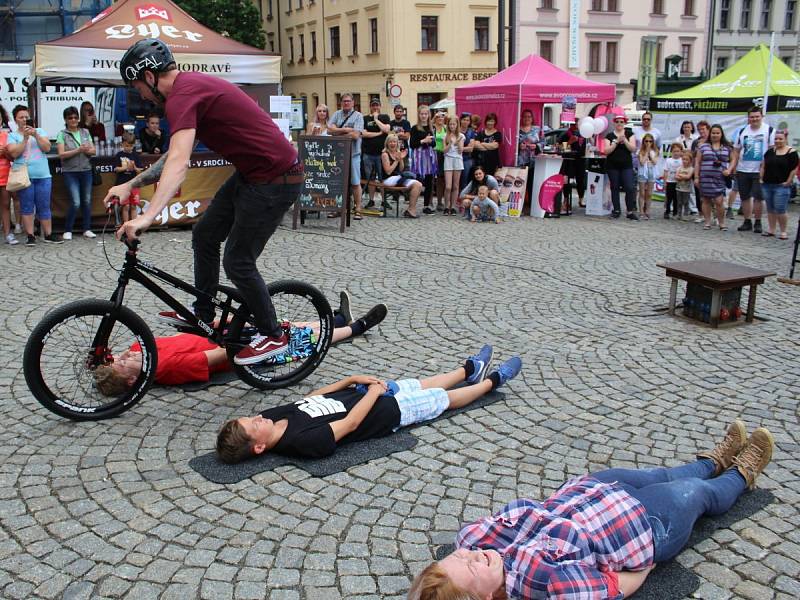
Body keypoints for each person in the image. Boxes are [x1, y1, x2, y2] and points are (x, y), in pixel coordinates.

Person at [409, 420, 775, 600]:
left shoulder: (475, 540)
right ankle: (742, 473)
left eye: (461, 555)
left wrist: (463, 555)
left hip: (594, 489)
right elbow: (611, 588)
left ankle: (713, 460)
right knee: (694, 494)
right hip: (638, 526)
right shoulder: (544, 584)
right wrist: (645, 564)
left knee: (662, 474)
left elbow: (475, 537)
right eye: (472, 568)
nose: (474, 555)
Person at [106, 39, 304, 366]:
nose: (139, 94)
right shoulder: (190, 91)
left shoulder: (183, 95)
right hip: (253, 175)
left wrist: (147, 216)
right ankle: (204, 313)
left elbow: (180, 164)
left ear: (150, 77)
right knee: (204, 235)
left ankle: (274, 335)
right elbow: (172, 155)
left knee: (238, 261)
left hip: (277, 179)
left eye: (137, 86)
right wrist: (132, 183)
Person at [216, 346, 522, 463]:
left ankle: (469, 370)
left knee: (421, 382)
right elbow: (349, 425)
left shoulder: (272, 418)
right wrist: (372, 394)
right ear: (259, 447)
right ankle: (492, 381)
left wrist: (349, 381)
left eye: (251, 417)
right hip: (388, 413)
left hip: (366, 394)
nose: (257, 417)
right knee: (443, 399)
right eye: (253, 424)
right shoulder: (300, 442)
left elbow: (311, 399)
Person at [95, 296, 388, 393]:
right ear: (134, 380)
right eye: (122, 365)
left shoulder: (138, 351)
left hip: (210, 332)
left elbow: (173, 338)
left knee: (276, 325)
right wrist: (242, 337)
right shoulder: (166, 370)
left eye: (117, 360)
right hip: (232, 349)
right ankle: (354, 327)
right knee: (295, 342)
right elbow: (217, 357)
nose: (121, 357)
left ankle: (334, 318)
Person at [7, 105, 62, 246]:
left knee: (44, 205)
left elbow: (47, 148)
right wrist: (25, 139)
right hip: (25, 177)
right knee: (27, 206)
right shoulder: (12, 135)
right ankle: (30, 235)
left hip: (43, 175)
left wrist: (35, 135)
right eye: (21, 117)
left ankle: (48, 234)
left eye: (26, 116)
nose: (24, 119)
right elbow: (14, 153)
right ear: (15, 120)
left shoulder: (40, 131)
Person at [731, 106, 775, 233]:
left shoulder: (769, 130)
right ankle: (747, 221)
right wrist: (733, 167)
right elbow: (736, 150)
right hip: (743, 169)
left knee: (758, 197)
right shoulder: (742, 131)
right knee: (745, 197)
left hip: (759, 170)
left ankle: (758, 221)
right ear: (748, 118)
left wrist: (765, 168)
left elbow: (772, 151)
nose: (754, 119)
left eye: (757, 116)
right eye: (752, 117)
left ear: (762, 117)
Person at [56, 106, 97, 241]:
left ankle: (87, 228)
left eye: (75, 117)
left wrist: (85, 150)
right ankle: (68, 229)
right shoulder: (62, 134)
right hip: (70, 172)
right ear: (66, 120)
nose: (73, 120)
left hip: (86, 170)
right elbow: (61, 154)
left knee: (86, 200)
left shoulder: (85, 132)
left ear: (78, 119)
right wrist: (78, 150)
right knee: (76, 202)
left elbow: (93, 151)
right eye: (70, 118)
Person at [328, 92, 365, 220]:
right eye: (344, 101)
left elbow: (355, 136)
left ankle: (358, 209)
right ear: (341, 103)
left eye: (349, 101)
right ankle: (339, 208)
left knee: (355, 182)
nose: (346, 103)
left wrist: (337, 133)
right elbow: (329, 130)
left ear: (353, 103)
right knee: (338, 183)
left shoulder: (358, 116)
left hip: (353, 154)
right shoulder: (336, 114)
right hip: (338, 155)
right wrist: (347, 130)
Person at [760, 129, 798, 239]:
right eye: (776, 139)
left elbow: (794, 169)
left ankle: (783, 231)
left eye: (780, 139)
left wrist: (789, 181)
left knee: (780, 209)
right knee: (770, 208)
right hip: (767, 184)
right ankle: (771, 230)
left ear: (785, 139)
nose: (778, 141)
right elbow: (763, 166)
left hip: (781, 185)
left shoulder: (791, 152)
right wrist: (761, 178)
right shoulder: (770, 151)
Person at [695, 124, 733, 231]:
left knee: (719, 201)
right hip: (705, 177)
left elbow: (734, 159)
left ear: (721, 134)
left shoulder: (727, 147)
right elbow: (697, 162)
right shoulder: (703, 146)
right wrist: (697, 177)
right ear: (710, 134)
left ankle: (722, 223)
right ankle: (707, 222)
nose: (715, 135)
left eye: (717, 133)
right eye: (713, 133)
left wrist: (729, 170)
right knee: (706, 200)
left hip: (719, 178)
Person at [603, 115, 638, 220]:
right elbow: (606, 151)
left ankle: (630, 211)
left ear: (624, 123)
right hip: (612, 165)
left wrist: (625, 141)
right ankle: (616, 210)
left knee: (629, 187)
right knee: (615, 187)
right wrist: (615, 141)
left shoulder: (629, 134)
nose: (619, 123)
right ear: (614, 123)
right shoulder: (609, 136)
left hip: (626, 165)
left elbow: (633, 149)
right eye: (617, 121)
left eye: (621, 122)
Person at [381, 134, 423, 218]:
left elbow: (401, 169)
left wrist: (400, 159)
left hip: (397, 177)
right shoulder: (385, 154)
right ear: (387, 143)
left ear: (397, 143)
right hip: (387, 179)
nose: (393, 144)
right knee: (415, 183)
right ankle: (411, 210)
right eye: (391, 142)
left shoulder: (398, 153)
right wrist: (396, 160)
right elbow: (388, 171)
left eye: (394, 142)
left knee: (418, 185)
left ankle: (411, 209)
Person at [361, 99, 392, 209]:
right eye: (373, 105)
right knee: (371, 178)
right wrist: (379, 133)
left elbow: (387, 129)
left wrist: (376, 119)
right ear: (370, 106)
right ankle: (371, 200)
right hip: (368, 153)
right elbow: (364, 134)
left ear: (380, 106)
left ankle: (384, 200)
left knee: (382, 177)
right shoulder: (364, 118)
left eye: (377, 105)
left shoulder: (384, 117)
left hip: (381, 154)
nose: (375, 107)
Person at [410, 105, 438, 215]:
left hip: (429, 157)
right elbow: (412, 144)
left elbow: (434, 143)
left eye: (426, 114)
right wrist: (423, 140)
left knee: (429, 182)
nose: (424, 116)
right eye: (422, 114)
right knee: (418, 181)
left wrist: (429, 141)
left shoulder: (431, 128)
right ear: (419, 115)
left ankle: (426, 205)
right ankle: (413, 205)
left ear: (428, 115)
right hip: (419, 157)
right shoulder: (415, 128)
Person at [112, 132, 143, 223]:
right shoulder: (119, 155)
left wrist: (135, 168)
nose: (129, 147)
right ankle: (125, 224)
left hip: (133, 184)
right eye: (126, 145)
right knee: (126, 206)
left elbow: (140, 170)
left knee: (133, 206)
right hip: (122, 184)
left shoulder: (135, 155)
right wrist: (126, 167)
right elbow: (116, 169)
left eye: (131, 146)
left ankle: (133, 224)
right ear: (122, 144)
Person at [558, 119, 587, 209]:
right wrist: (570, 142)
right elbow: (560, 149)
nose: (576, 127)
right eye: (574, 125)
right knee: (567, 182)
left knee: (581, 181)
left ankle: (581, 200)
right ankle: (566, 201)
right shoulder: (565, 135)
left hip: (580, 160)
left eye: (577, 125)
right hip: (569, 160)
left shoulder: (584, 134)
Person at [442, 116, 465, 215]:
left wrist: (458, 140)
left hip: (458, 160)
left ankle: (453, 206)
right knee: (448, 186)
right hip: (448, 159)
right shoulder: (445, 136)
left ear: (457, 125)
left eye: (454, 124)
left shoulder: (461, 136)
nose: (452, 126)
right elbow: (444, 151)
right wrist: (450, 143)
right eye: (450, 124)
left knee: (455, 186)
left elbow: (461, 150)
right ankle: (446, 206)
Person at [636, 133, 659, 219]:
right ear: (643, 142)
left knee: (649, 193)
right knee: (642, 193)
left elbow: (655, 162)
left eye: (650, 141)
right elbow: (642, 162)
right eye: (646, 141)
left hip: (651, 172)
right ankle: (641, 211)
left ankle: (648, 211)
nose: (648, 143)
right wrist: (646, 152)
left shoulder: (656, 151)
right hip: (643, 172)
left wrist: (650, 152)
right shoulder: (640, 151)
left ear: (653, 142)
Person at [0, 117, 14, 245]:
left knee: (5, 205)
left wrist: (6, 153)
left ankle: (8, 233)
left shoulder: (6, 135)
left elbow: (12, 157)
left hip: (4, 174)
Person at [459, 113, 477, 190]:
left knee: (465, 180)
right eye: (464, 120)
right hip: (455, 158)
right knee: (456, 180)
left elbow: (471, 148)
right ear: (460, 120)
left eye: (467, 120)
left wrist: (460, 148)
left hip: (466, 159)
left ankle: (462, 198)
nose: (465, 122)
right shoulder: (456, 130)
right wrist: (465, 147)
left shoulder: (471, 132)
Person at [663, 144, 682, 218]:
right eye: (674, 151)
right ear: (671, 152)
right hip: (670, 181)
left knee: (676, 198)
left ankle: (675, 212)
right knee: (669, 198)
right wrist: (665, 182)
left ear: (681, 152)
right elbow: (665, 171)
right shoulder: (668, 160)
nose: (676, 153)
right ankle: (667, 211)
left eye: (678, 151)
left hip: (678, 182)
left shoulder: (682, 160)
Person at [675, 151, 695, 220]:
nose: (684, 161)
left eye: (686, 159)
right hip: (679, 188)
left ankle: (686, 215)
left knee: (686, 202)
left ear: (690, 161)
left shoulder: (691, 169)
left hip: (687, 189)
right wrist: (683, 176)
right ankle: (679, 214)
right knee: (679, 202)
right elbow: (676, 177)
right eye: (683, 159)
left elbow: (688, 177)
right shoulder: (679, 168)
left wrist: (681, 175)